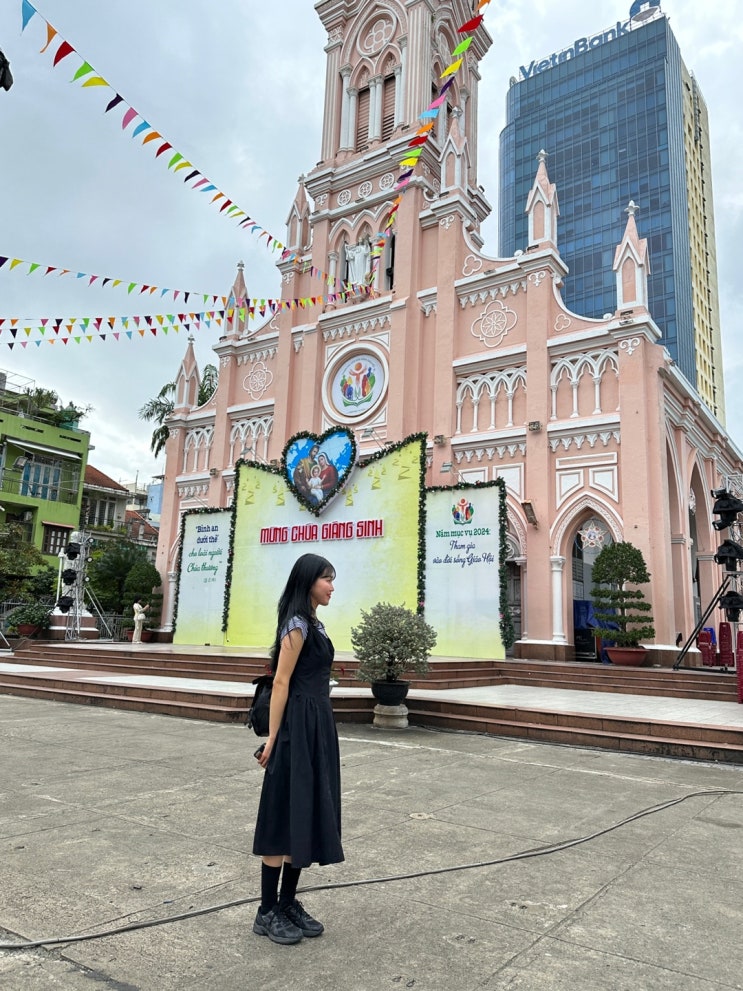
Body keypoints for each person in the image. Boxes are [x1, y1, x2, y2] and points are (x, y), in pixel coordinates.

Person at [252, 553, 343, 945]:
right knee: (282, 813)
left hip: (316, 725)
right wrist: (274, 738)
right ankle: (266, 910)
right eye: (327, 579)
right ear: (308, 582)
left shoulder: (313, 623)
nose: (332, 587)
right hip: (296, 727)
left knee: (303, 811)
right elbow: (281, 682)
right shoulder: (296, 625)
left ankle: (288, 903)